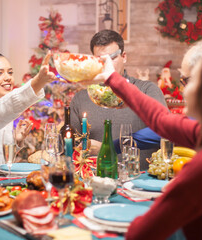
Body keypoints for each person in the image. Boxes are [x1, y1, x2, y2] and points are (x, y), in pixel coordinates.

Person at [88, 48, 202, 239]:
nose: (183, 89)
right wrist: (113, 77)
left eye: (190, 80)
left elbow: (143, 233)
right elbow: (159, 119)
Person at [70, 30, 167, 169]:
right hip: (96, 180)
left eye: (113, 58)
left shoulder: (147, 90)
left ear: (124, 56)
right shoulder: (81, 99)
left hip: (138, 183)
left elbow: (164, 134)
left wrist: (109, 147)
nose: (107, 65)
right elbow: (70, 146)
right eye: (101, 60)